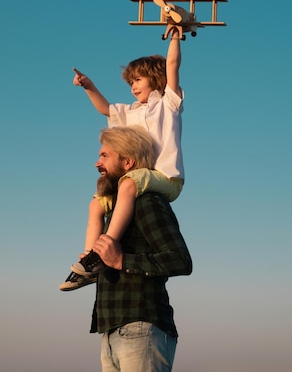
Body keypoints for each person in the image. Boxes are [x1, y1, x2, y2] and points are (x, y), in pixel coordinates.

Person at [68, 126, 193, 371]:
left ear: (127, 162)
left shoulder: (147, 203)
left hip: (142, 328)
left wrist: (121, 261)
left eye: (105, 156)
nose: (97, 163)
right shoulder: (113, 212)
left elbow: (180, 260)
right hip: (112, 332)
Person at [67, 27, 185, 282]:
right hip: (143, 178)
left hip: (166, 178)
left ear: (155, 78)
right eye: (130, 83)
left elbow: (173, 64)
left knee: (128, 182)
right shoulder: (130, 112)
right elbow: (105, 109)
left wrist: (176, 35)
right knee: (96, 203)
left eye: (137, 80)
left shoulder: (168, 104)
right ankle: (90, 260)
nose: (132, 87)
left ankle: (105, 247)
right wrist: (88, 86)